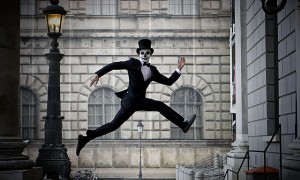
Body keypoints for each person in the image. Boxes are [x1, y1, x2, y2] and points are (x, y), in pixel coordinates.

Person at [76, 39, 196, 156]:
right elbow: (113, 65)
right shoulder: (132, 63)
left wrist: (178, 70)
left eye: (147, 53)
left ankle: (86, 139)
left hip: (130, 103)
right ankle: (183, 125)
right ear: (138, 53)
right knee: (159, 105)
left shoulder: (152, 70)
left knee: (113, 125)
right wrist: (98, 74)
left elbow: (168, 81)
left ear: (150, 54)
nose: (144, 55)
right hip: (132, 100)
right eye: (142, 53)